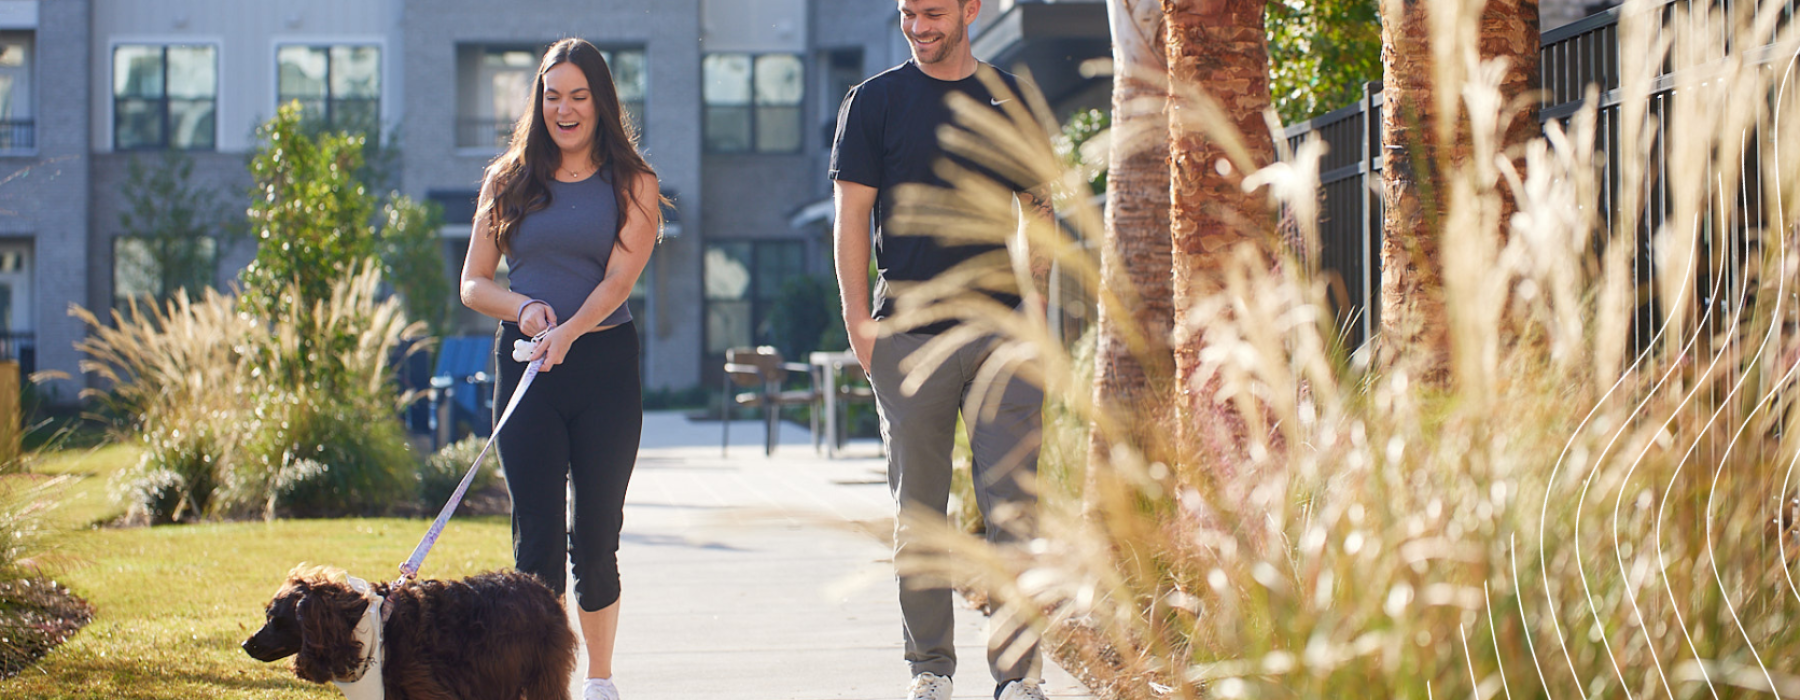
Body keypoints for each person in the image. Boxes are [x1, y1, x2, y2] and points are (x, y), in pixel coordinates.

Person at [830, 1, 1054, 699]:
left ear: (970, 10)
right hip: (909, 335)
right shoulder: (875, 102)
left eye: (933, 12)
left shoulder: (1009, 94)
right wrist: (859, 323)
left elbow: (1039, 207)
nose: (919, 25)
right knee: (920, 517)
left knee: (1015, 514)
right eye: (907, 13)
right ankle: (930, 671)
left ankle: (1019, 678)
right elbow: (852, 216)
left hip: (1001, 334)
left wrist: (1038, 312)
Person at [459, 37, 662, 700]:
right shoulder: (507, 179)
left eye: (579, 96)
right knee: (535, 542)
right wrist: (525, 310)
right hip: (525, 370)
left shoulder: (633, 182)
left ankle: (599, 683)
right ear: (538, 100)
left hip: (603, 368)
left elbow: (618, 281)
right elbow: (473, 283)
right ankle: (537, 686)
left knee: (597, 542)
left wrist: (571, 332)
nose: (564, 109)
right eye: (553, 96)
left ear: (601, 103)